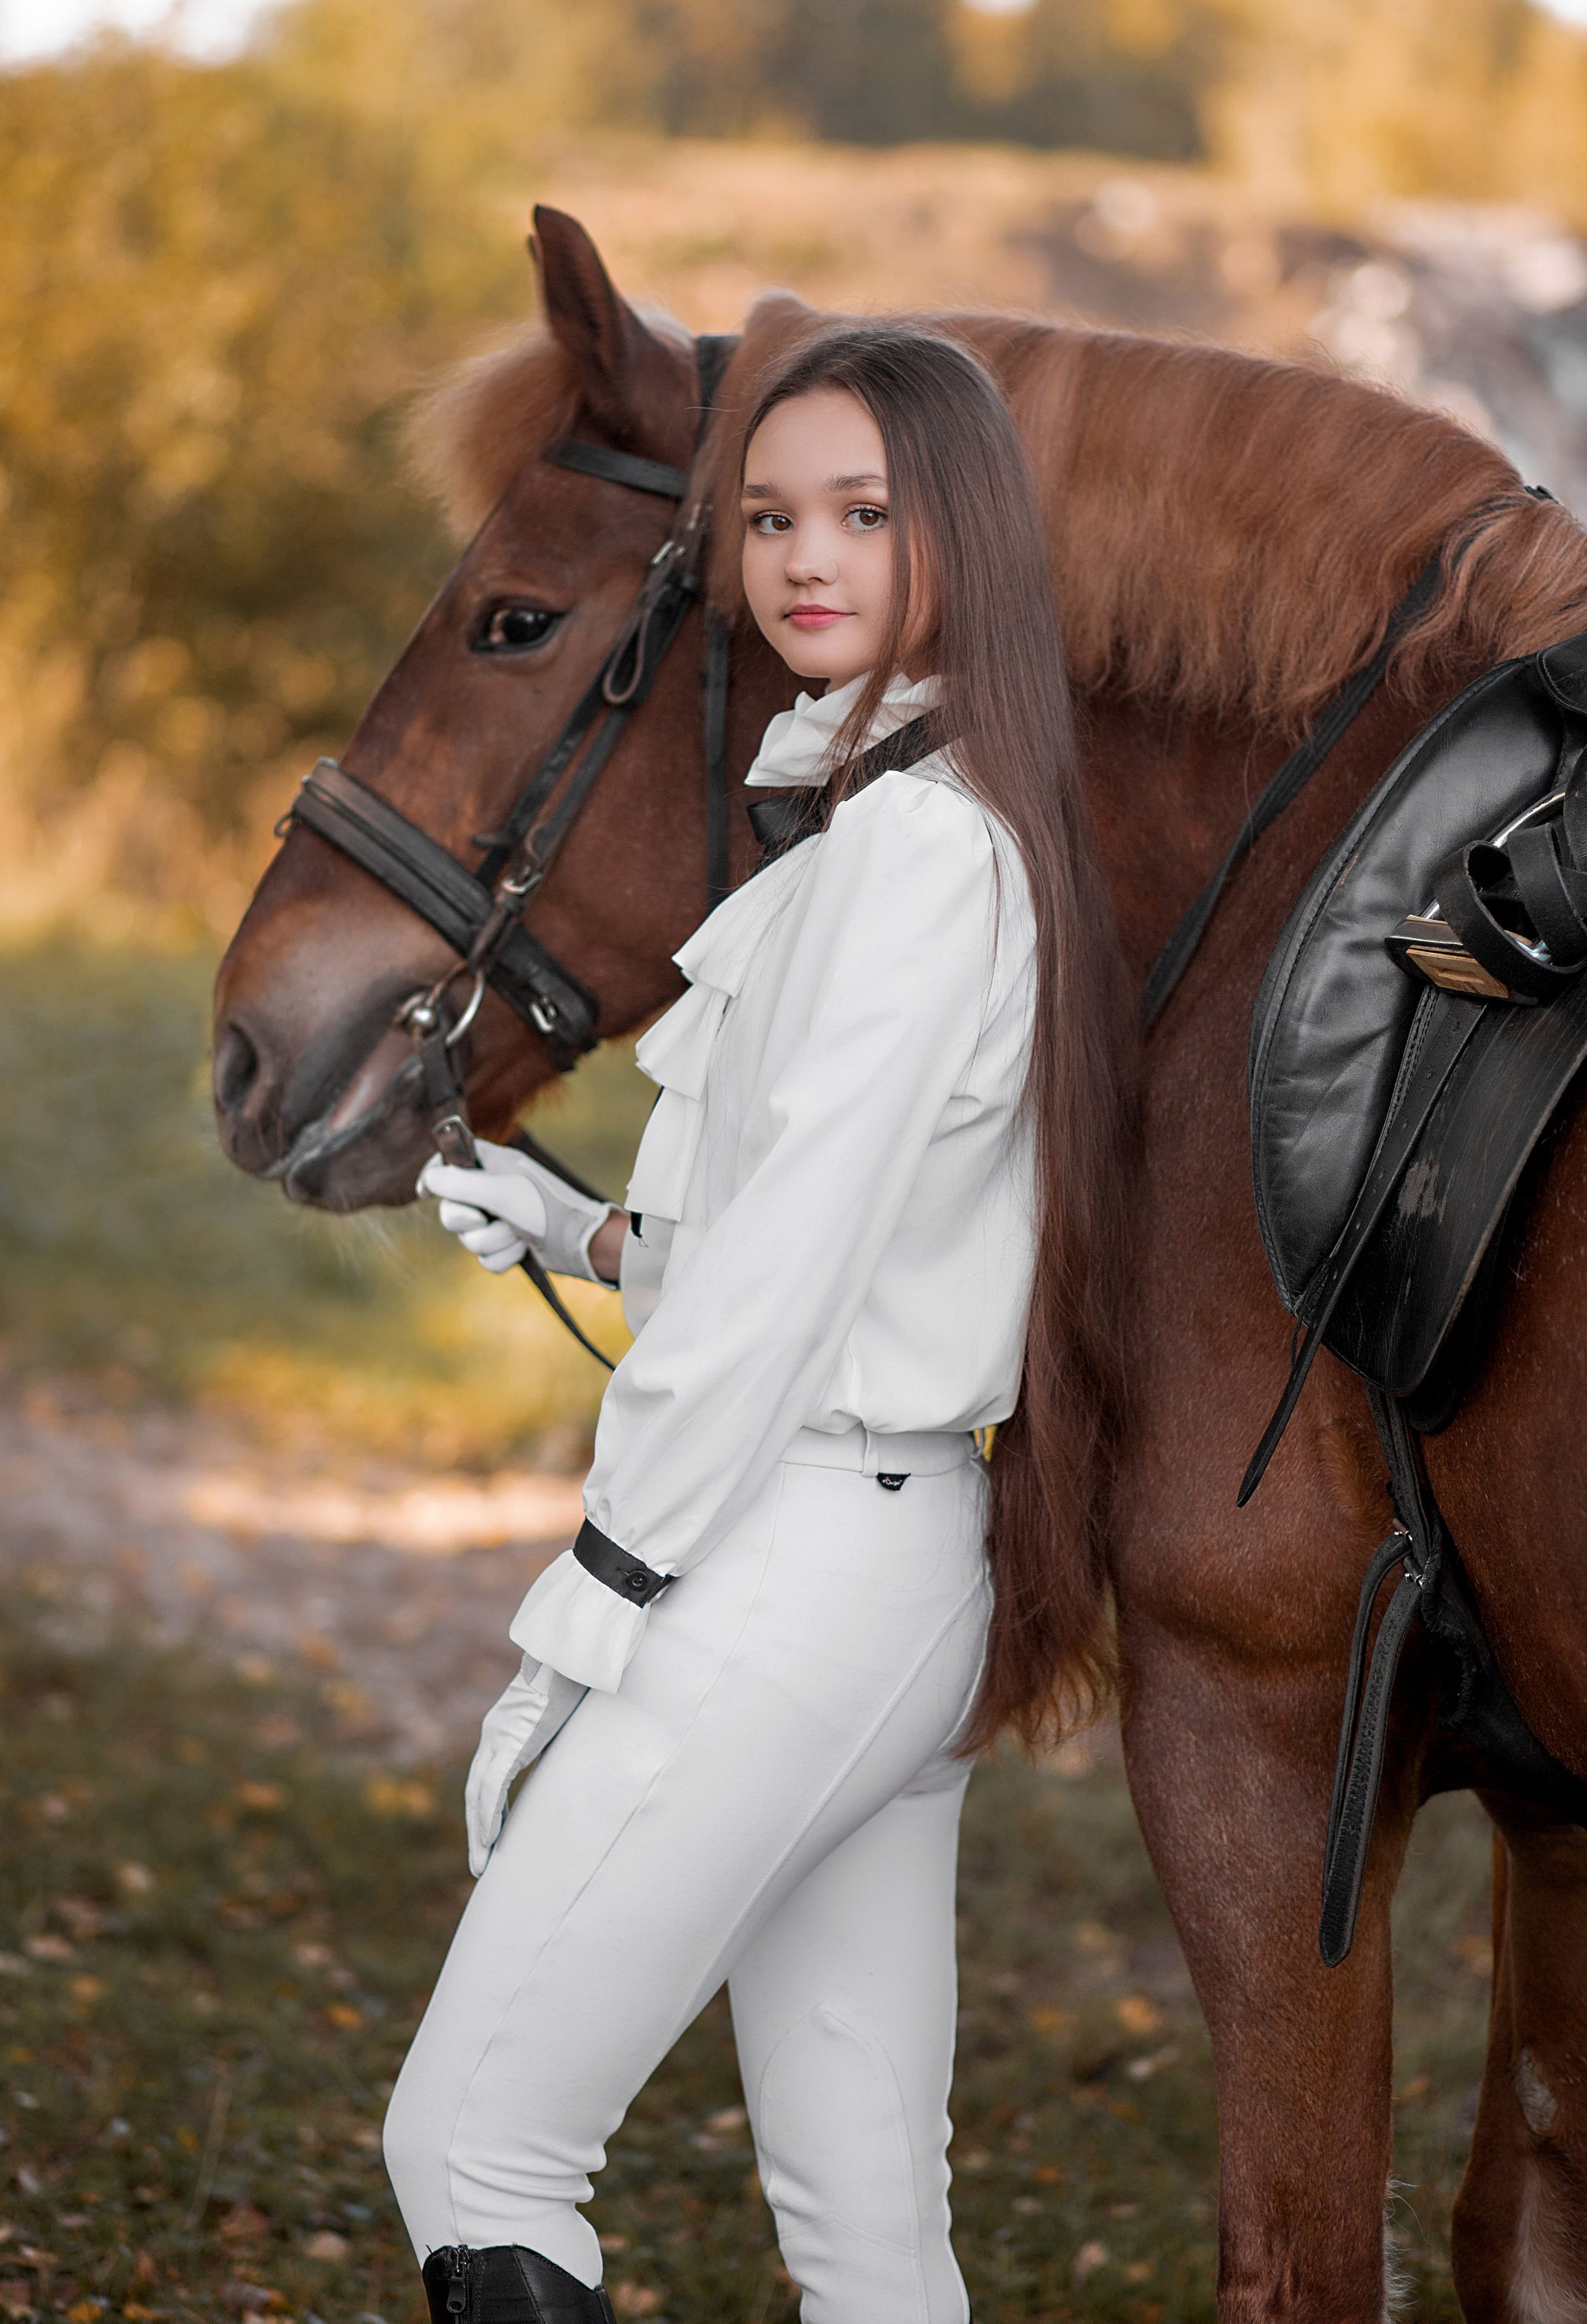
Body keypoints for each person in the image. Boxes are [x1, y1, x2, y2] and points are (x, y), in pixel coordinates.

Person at [384, 324, 1128, 2324]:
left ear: (960, 535)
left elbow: (797, 1285)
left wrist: (590, 1610)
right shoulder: (916, 830)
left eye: (866, 517)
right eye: (772, 518)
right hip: (883, 1569)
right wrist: (578, 1226)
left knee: (473, 2148)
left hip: (792, 1578)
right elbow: (834, 1237)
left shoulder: (914, 852)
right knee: (870, 2236)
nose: (807, 558)